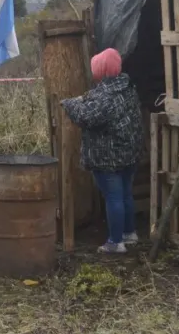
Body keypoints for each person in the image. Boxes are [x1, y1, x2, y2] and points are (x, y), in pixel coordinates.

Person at [61, 48, 143, 254]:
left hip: (108, 156)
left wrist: (69, 104)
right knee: (125, 194)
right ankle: (129, 233)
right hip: (129, 152)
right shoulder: (127, 87)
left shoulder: (106, 95)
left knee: (113, 198)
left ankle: (115, 243)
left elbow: (86, 117)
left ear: (101, 70)